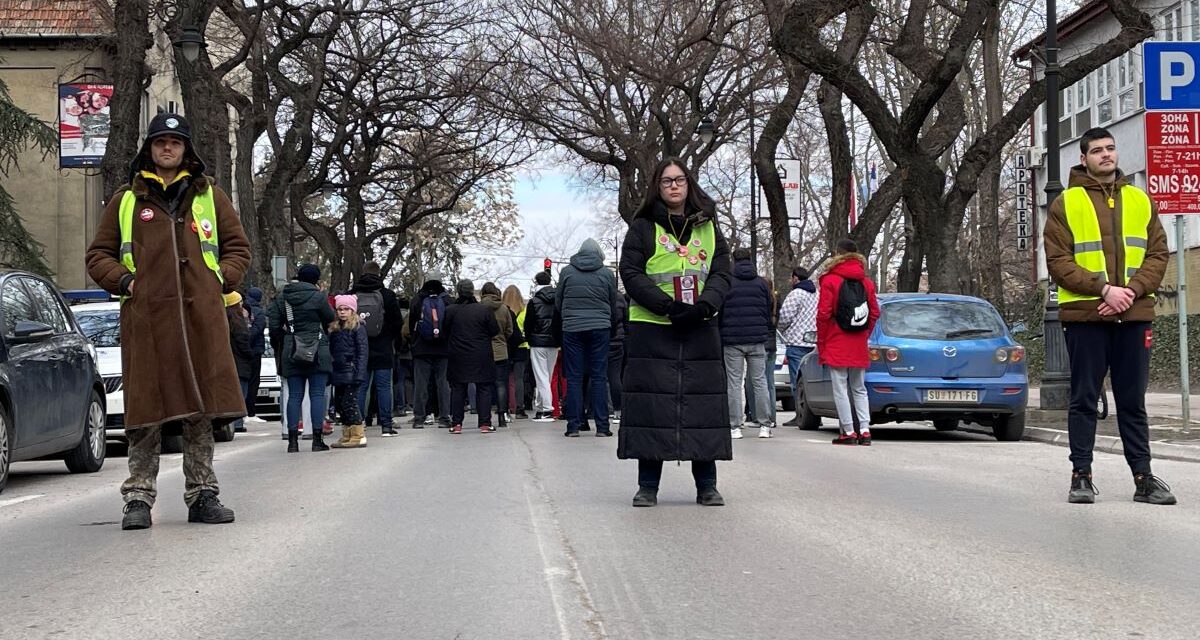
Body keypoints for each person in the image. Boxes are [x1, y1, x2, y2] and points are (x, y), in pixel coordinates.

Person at [85, 112, 249, 530]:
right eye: (160, 142)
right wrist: (127, 282)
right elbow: (98, 255)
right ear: (150, 149)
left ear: (186, 150)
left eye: (175, 143)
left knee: (201, 410)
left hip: (200, 321)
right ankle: (138, 497)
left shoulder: (209, 196)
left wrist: (219, 280)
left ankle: (202, 494)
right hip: (148, 322)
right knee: (147, 412)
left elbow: (237, 248)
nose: (167, 149)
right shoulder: (127, 199)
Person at [1043, 127, 1176, 506]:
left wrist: (1129, 293)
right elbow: (1058, 262)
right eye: (1097, 150)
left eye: (1111, 148)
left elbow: (1157, 254)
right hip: (1086, 315)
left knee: (1132, 401)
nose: (1106, 155)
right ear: (1083, 158)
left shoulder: (1140, 200)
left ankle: (1143, 478)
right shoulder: (1065, 204)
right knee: (1084, 398)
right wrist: (1104, 289)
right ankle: (1081, 476)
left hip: (1133, 314)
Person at [618, 157, 733, 507]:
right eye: (666, 180)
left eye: (679, 179)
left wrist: (704, 306)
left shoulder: (709, 226)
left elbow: (721, 272)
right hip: (653, 327)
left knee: (703, 407)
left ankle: (707, 485)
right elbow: (631, 273)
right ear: (657, 185)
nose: (673, 186)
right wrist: (667, 307)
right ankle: (647, 486)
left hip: (700, 325)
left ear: (688, 184)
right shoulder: (641, 227)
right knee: (652, 407)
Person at [817, 239, 880, 446]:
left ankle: (848, 432)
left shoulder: (830, 280)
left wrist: (823, 341)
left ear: (837, 254)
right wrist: (865, 333)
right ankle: (865, 429)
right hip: (858, 340)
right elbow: (875, 312)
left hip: (836, 338)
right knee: (859, 387)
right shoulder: (867, 282)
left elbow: (824, 313)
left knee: (840, 387)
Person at [268, 263, 336, 453]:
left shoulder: (283, 298)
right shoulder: (318, 298)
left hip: (292, 350)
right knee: (316, 394)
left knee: (294, 395)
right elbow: (330, 319)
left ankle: (292, 441)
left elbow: (273, 327)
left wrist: (287, 339)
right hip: (317, 349)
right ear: (316, 280)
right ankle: (317, 439)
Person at [556, 238, 619, 437]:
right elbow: (612, 301)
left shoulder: (566, 272)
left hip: (572, 328)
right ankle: (602, 427)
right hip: (600, 327)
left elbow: (559, 302)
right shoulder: (607, 274)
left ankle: (573, 426)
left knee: (574, 378)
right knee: (599, 377)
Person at [720, 248, 774, 440]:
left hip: (732, 339)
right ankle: (765, 425)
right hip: (757, 338)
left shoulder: (727, 283)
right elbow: (768, 309)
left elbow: (721, 309)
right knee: (760, 382)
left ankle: (735, 426)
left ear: (733, 261)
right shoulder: (761, 284)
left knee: (734, 383)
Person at [350, 262, 403, 436]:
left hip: (360, 348)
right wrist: (388, 337)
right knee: (384, 387)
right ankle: (386, 425)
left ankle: (359, 423)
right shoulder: (387, 295)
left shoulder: (352, 295)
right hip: (383, 347)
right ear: (379, 274)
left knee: (362, 387)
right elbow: (397, 322)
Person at [443, 280, 500, 434]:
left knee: (457, 388)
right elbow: (494, 330)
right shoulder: (484, 310)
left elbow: (444, 332)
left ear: (458, 291)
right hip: (481, 353)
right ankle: (485, 423)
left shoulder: (450, 311)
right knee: (484, 387)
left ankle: (456, 424)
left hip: (458, 353)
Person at [777, 266, 819, 426]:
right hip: (813, 341)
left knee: (797, 381)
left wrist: (780, 330)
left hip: (796, 342)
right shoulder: (816, 294)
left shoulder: (795, 294)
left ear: (795, 278)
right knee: (810, 380)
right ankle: (813, 413)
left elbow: (785, 316)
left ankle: (800, 414)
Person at [410, 271, 453, 428]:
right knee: (443, 384)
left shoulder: (418, 299)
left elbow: (411, 323)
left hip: (422, 349)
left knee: (421, 384)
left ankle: (419, 418)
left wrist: (414, 343)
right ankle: (444, 417)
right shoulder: (448, 300)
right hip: (443, 349)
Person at [328, 294, 369, 448]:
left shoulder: (358, 327)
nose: (342, 312)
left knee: (349, 402)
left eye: (346, 309)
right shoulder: (335, 328)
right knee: (340, 404)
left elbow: (362, 352)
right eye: (340, 309)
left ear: (353, 310)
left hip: (351, 371)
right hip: (338, 371)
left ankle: (358, 434)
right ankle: (347, 434)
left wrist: (359, 374)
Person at [524, 271, 561, 422]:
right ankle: (541, 408)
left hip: (538, 342)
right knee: (548, 375)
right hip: (553, 342)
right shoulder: (557, 299)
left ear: (536, 282)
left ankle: (546, 409)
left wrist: (529, 337)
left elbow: (529, 323)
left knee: (541, 376)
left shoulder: (534, 301)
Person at [480, 282, 515, 426]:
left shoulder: (479, 308)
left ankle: (485, 418)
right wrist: (502, 340)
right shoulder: (504, 309)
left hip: (483, 350)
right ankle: (502, 416)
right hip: (501, 350)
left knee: (484, 386)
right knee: (501, 384)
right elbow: (509, 330)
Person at [226, 292, 256, 434]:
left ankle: (235, 422)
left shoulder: (224, 318)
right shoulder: (237, 321)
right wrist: (250, 354)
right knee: (241, 393)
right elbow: (243, 340)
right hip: (240, 362)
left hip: (231, 361)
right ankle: (237, 423)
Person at [504, 285, 531, 420]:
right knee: (519, 378)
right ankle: (520, 407)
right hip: (522, 346)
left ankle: (509, 406)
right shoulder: (524, 311)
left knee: (507, 379)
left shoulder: (504, 311)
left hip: (506, 347)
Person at [243, 287, 268, 422]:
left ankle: (242, 412)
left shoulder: (242, 308)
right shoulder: (259, 312)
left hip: (241, 351)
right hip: (255, 351)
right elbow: (258, 330)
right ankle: (250, 411)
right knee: (253, 381)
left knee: (243, 381)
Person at [608, 291, 629, 423]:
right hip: (617, 340)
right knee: (615, 376)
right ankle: (619, 410)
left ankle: (596, 410)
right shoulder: (620, 297)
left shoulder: (599, 294)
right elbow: (626, 319)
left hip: (600, 339)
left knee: (597, 377)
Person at [393, 296, 414, 417]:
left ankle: (400, 405)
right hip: (410, 352)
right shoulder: (410, 315)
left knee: (399, 380)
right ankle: (410, 404)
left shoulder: (395, 315)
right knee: (410, 379)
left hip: (398, 352)